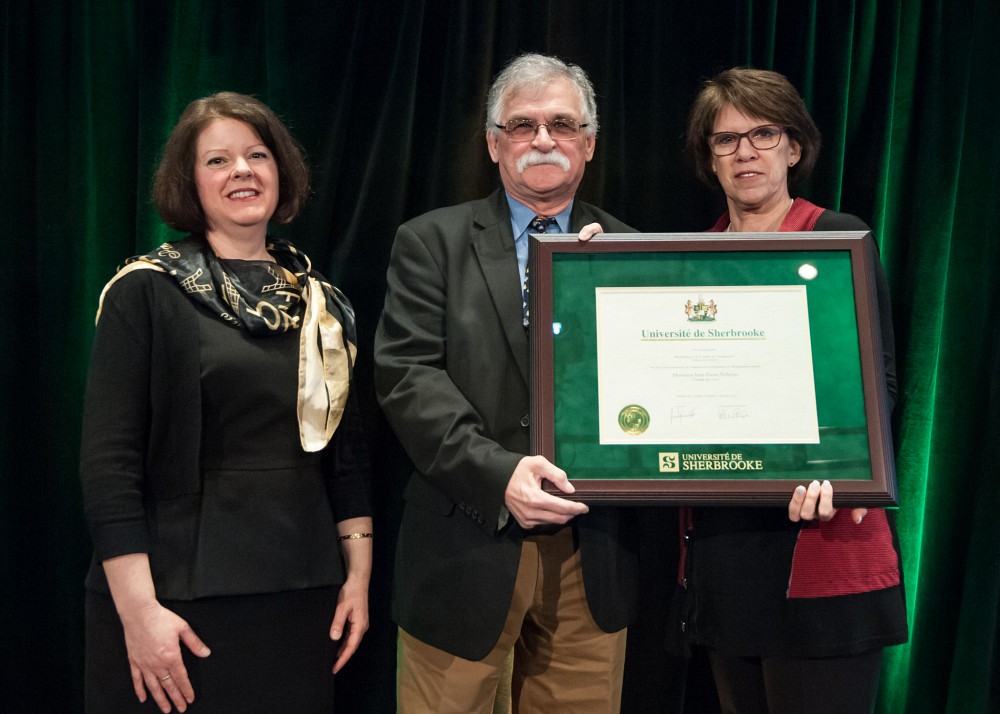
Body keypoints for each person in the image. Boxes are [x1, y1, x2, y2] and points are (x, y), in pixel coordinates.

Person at [579, 67, 908, 713]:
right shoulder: (686, 261)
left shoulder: (836, 239)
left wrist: (840, 472)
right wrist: (590, 270)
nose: (745, 152)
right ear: (709, 158)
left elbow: (879, 382)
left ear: (793, 146)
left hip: (818, 540)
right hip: (725, 556)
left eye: (763, 133)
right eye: (725, 140)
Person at [80, 92, 373, 713]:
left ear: (281, 171)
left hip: (303, 597)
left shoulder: (324, 303)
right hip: (174, 601)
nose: (241, 170)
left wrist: (359, 579)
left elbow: (347, 456)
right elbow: (109, 466)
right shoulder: (145, 292)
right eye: (217, 160)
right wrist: (138, 615)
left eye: (257, 154)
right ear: (190, 185)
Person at [374, 54, 640, 713]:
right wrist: (498, 474)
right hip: (464, 544)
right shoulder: (429, 241)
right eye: (522, 124)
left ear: (590, 142)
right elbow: (408, 379)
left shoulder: (633, 251)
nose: (543, 138)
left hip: (592, 556)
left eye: (561, 123)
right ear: (494, 143)